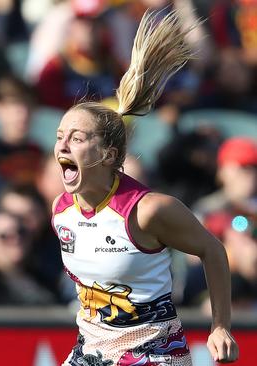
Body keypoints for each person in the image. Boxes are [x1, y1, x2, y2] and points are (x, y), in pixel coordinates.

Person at [51, 11, 238, 365]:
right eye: (59, 137)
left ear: (108, 155)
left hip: (151, 355)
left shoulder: (147, 210)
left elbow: (213, 250)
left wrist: (220, 326)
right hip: (89, 353)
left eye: (76, 138)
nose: (62, 147)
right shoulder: (62, 210)